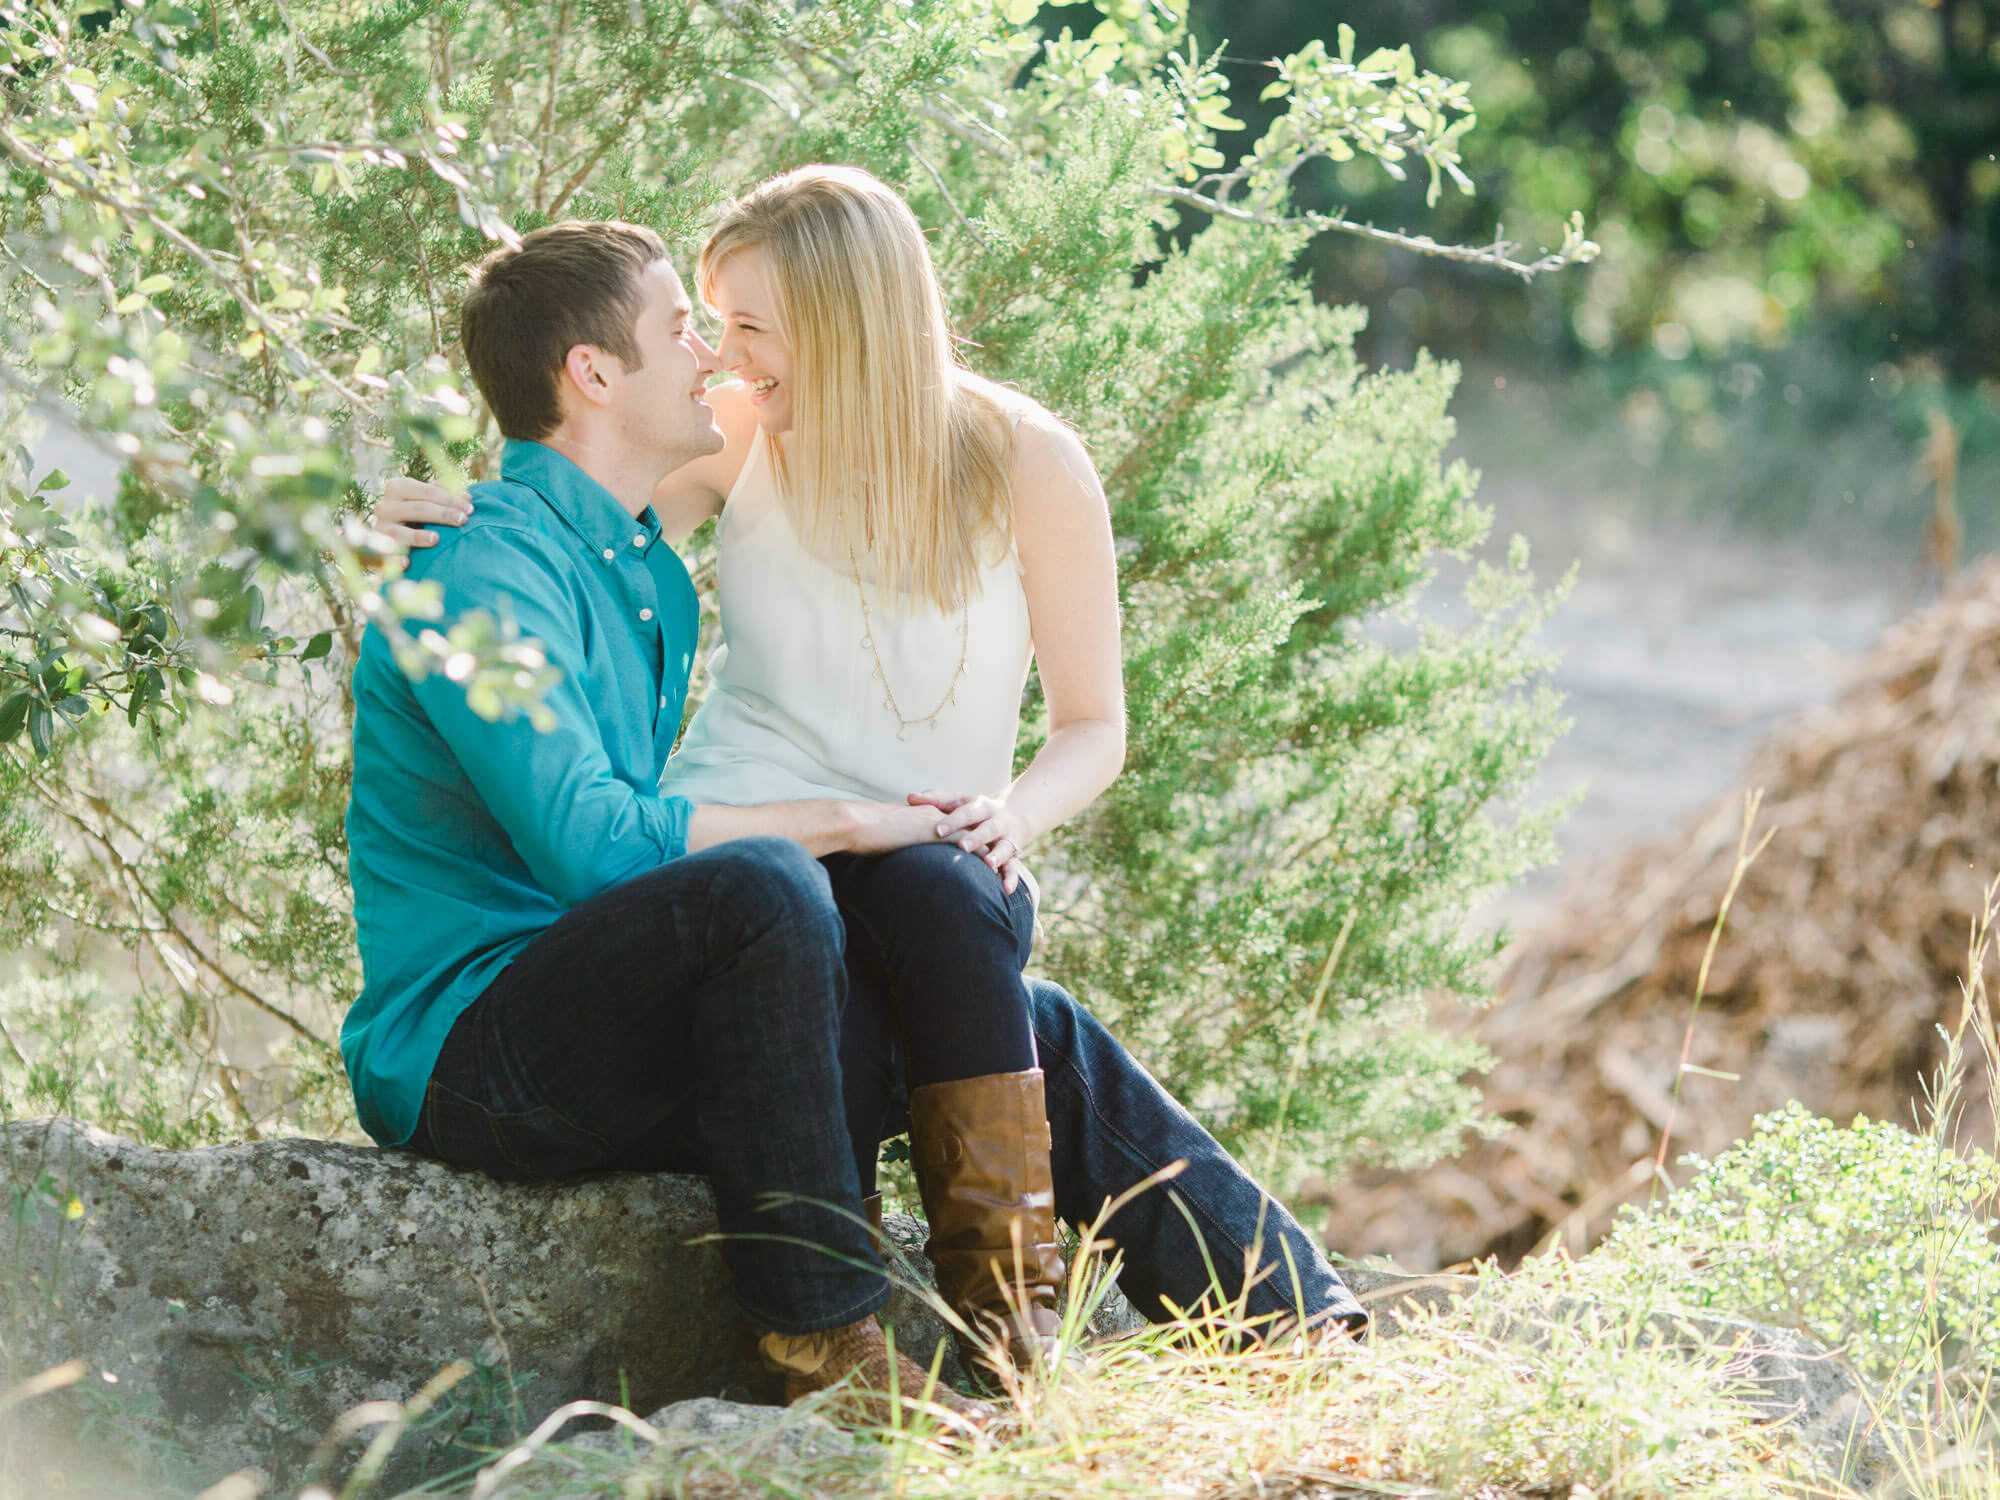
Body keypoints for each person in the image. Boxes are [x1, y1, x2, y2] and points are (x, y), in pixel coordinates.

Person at [371, 171, 1369, 1394]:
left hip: (798, 923)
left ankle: (1275, 1334)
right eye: (696, 326)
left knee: (981, 963)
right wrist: (437, 518)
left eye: (740, 327)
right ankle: (831, 1341)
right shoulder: (598, 513)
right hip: (623, 955)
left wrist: (996, 816)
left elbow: (1092, 722)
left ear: (840, 320)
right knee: (795, 893)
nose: (717, 360)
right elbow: (568, 524)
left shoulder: (988, 467)